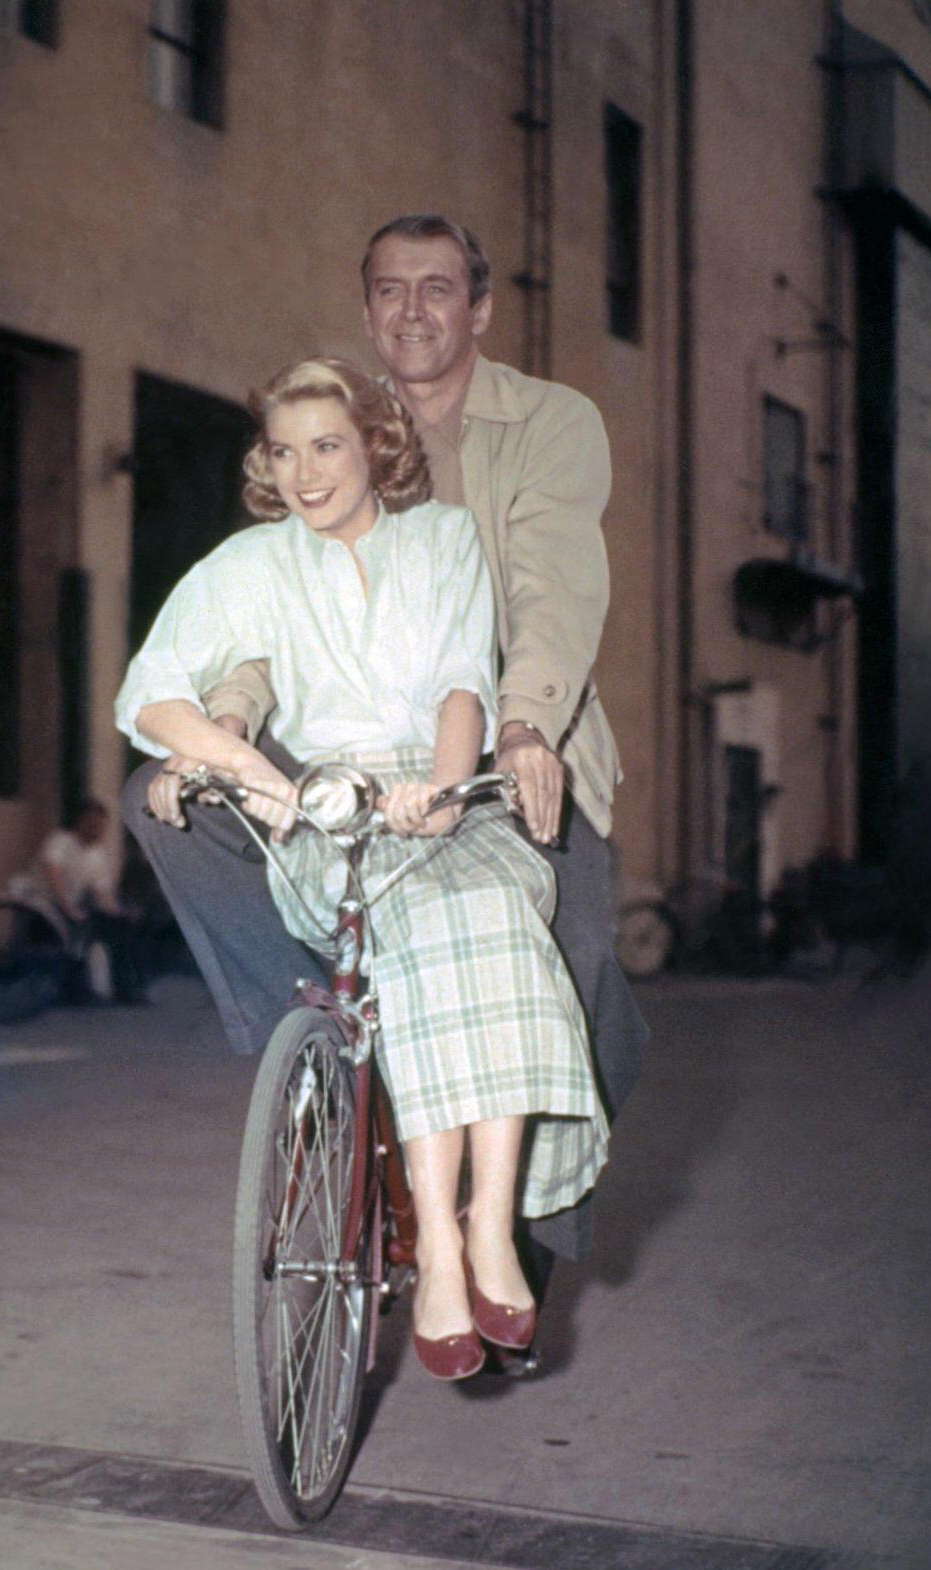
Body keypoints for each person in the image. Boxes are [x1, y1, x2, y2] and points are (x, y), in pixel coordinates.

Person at [121, 215, 646, 1313]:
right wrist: (221, 721)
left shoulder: (547, 424)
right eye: (388, 291)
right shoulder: (321, 431)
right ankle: (319, 1053)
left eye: (437, 289)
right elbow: (265, 629)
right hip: (342, 754)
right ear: (366, 310)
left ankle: (518, 1221)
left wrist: (520, 727)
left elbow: (549, 598)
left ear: (479, 309)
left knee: (580, 950)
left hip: (520, 739)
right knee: (161, 805)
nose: (411, 311)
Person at [36, 799, 148, 1005]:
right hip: (45, 903)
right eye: (92, 822)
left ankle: (126, 988)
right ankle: (73, 990)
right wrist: (68, 908)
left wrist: (118, 912)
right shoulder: (61, 841)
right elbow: (54, 877)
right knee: (80, 927)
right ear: (80, 821)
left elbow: (102, 892)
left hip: (76, 907)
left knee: (121, 927)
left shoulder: (97, 854)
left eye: (100, 824)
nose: (97, 828)